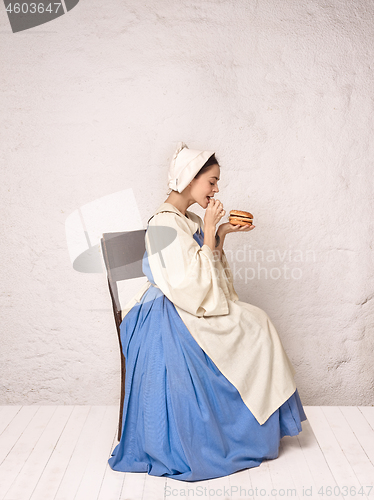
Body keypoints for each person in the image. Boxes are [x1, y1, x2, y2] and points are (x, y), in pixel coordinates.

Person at [108, 142, 307, 482]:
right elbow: (189, 284)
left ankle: (251, 427)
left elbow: (205, 266)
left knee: (257, 322)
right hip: (169, 310)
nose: (216, 189)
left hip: (190, 301)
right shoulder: (163, 224)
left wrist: (221, 232)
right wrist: (212, 231)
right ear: (189, 179)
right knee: (256, 325)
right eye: (211, 181)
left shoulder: (189, 218)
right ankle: (233, 433)